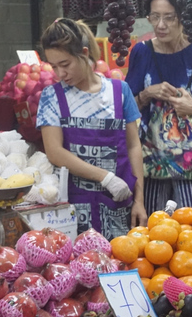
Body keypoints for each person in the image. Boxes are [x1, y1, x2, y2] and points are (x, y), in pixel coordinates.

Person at [36, 18, 147, 239]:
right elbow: (54, 151)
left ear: (84, 53)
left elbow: (134, 146)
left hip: (118, 206)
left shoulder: (119, 91)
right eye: (54, 66)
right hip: (72, 211)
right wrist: (105, 177)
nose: (60, 74)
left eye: (65, 64)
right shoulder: (52, 97)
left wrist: (139, 201)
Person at [126, 0, 192, 213]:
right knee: (153, 229)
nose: (161, 25)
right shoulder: (142, 52)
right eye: (155, 16)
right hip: (150, 161)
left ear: (183, 17)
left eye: (169, 17)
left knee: (190, 230)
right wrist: (147, 94)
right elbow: (127, 108)